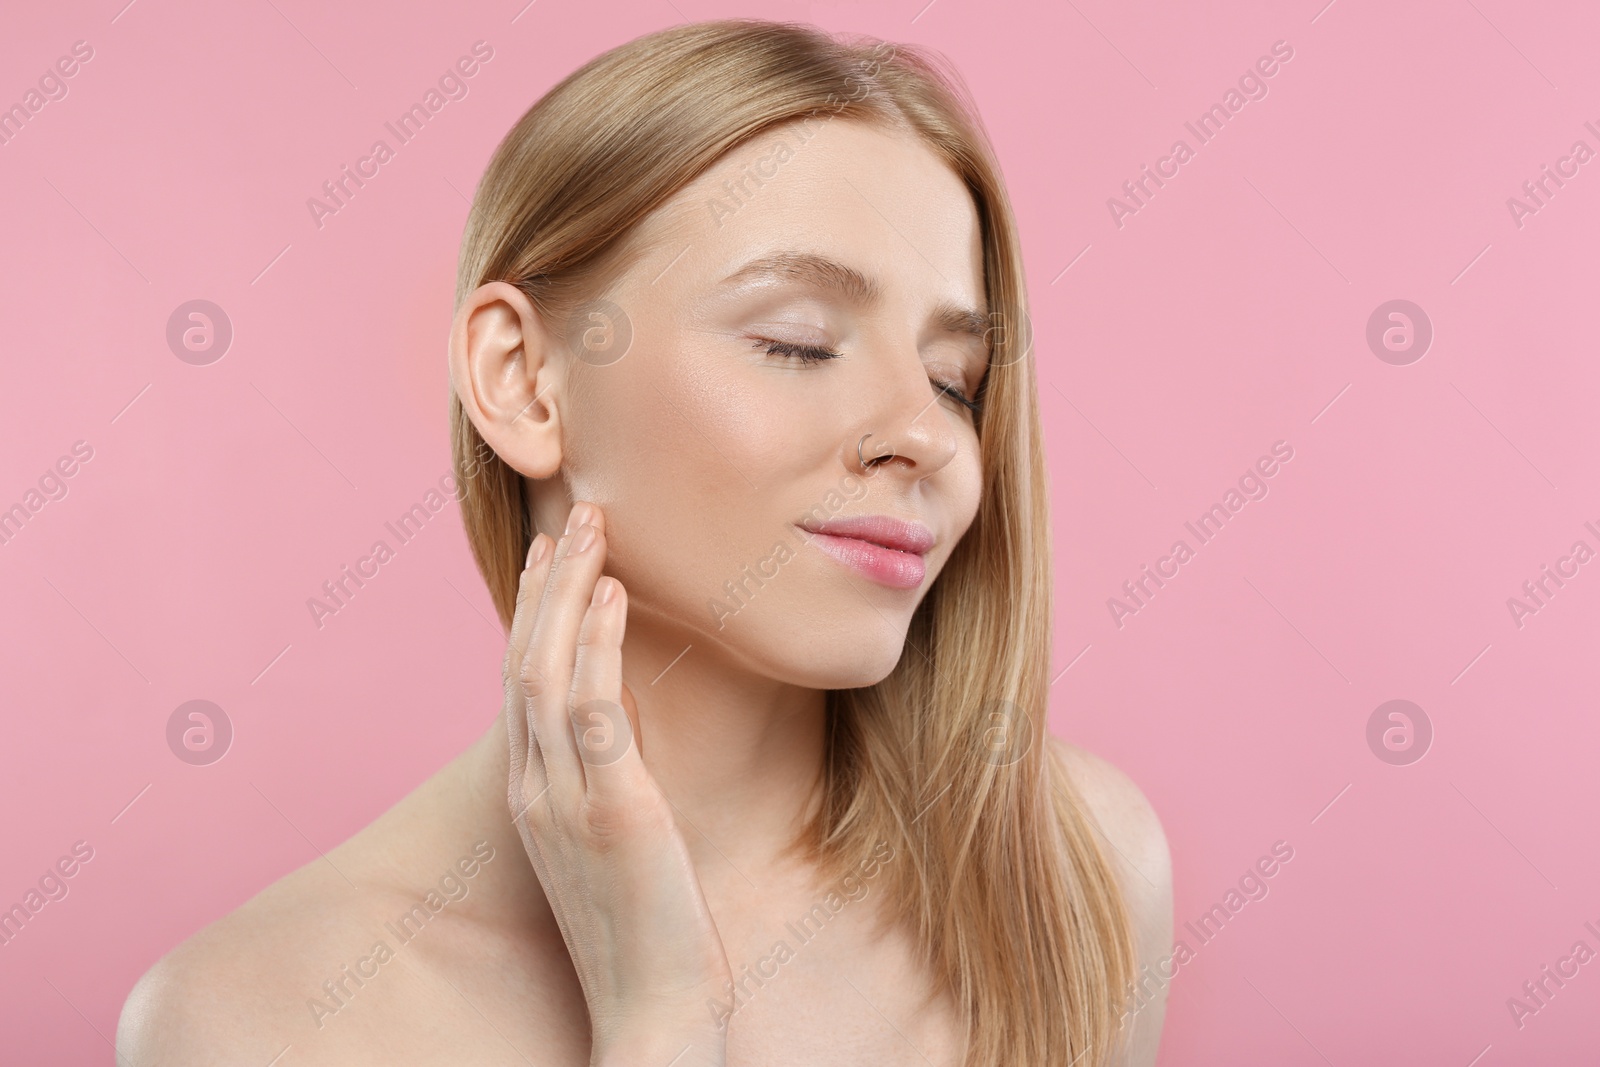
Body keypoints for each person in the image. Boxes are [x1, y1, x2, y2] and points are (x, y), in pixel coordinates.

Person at [117, 19, 1171, 1066]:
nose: (924, 433)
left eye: (956, 380)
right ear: (523, 380)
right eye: (796, 343)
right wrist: (658, 1020)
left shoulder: (1075, 873)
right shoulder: (253, 1021)